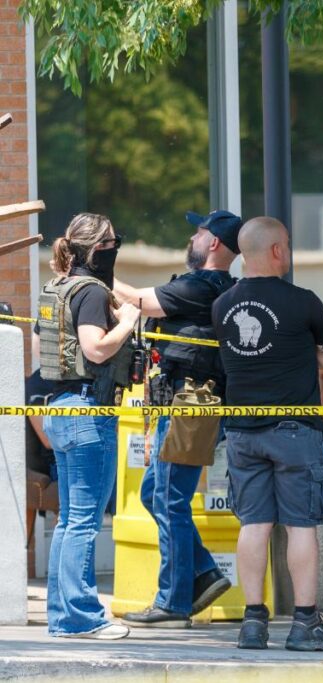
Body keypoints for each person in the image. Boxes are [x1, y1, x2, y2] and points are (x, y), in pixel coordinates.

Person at [211, 216, 323, 652]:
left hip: (241, 432)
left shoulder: (222, 305)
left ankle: (253, 623)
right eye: (287, 244)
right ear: (276, 250)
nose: (288, 251)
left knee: (253, 525)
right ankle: (305, 623)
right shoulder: (304, 302)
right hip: (294, 430)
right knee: (300, 526)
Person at [115, 210, 242, 628]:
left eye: (199, 232)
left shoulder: (203, 285)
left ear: (214, 243)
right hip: (184, 404)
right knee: (154, 493)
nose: (192, 237)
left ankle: (172, 603)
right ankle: (204, 573)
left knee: (169, 499)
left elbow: (137, 300)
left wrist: (93, 272)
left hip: (191, 405)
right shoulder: (209, 286)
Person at [37, 213, 139, 640]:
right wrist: (128, 322)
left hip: (61, 410)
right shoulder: (93, 292)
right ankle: (82, 617)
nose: (116, 248)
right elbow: (95, 349)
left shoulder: (59, 286)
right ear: (99, 249)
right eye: (113, 242)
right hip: (88, 412)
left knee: (68, 521)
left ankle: (63, 617)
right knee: (82, 522)